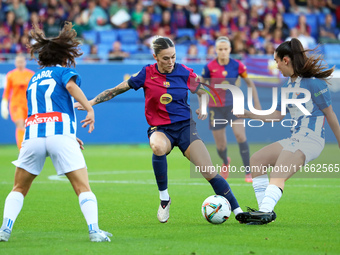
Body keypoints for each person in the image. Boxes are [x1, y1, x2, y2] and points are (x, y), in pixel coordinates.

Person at [75, 36, 244, 223]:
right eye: (165, 58)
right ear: (155, 57)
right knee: (157, 146)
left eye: (173, 57)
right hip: (161, 129)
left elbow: (205, 92)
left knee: (209, 171)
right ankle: (164, 199)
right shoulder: (146, 73)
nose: (171, 62)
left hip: (185, 128)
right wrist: (91, 102)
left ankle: (238, 212)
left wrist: (203, 107)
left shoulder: (185, 72)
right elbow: (117, 89)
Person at [0, 22, 111, 242]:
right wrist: (89, 108)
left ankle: (4, 229)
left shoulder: (33, 78)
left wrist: (70, 134)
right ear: (63, 56)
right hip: (59, 135)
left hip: (33, 135)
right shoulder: (63, 71)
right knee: (82, 187)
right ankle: (94, 231)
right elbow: (70, 87)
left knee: (19, 188)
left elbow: (41, 112)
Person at [235, 38, 340, 225]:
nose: (276, 66)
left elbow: (330, 115)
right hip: (296, 138)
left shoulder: (314, 84)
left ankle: (265, 211)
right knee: (257, 160)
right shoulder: (287, 86)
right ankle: (264, 211)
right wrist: (248, 114)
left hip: (311, 140)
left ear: (286, 60)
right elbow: (277, 116)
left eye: (276, 61)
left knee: (279, 172)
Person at [201, 36, 261, 182]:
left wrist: (257, 103)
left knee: (240, 136)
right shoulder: (209, 67)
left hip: (235, 105)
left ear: (230, 50)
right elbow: (201, 86)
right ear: (216, 50)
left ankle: (248, 171)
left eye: (225, 49)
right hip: (216, 108)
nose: (223, 52)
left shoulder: (237, 65)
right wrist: (203, 104)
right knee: (221, 146)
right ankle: (225, 162)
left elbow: (250, 83)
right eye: (220, 49)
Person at [1, 55, 34, 149]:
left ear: (25, 62)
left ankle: (28, 147)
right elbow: (6, 92)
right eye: (18, 62)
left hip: (28, 105)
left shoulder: (30, 74)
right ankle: (22, 149)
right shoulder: (11, 75)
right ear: (15, 63)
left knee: (28, 127)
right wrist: (4, 105)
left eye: (21, 61)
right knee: (20, 124)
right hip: (16, 105)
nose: (20, 64)